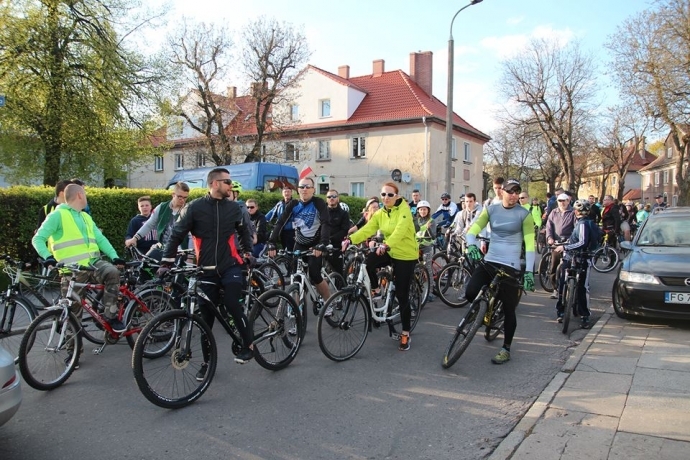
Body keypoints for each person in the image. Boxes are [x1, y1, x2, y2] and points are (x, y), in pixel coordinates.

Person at [159, 168, 255, 371]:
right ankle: (207, 363)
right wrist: (166, 262)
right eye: (227, 181)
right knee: (206, 321)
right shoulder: (194, 208)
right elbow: (176, 235)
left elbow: (244, 231)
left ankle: (248, 345)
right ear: (214, 183)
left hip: (230, 266)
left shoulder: (234, 208)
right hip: (205, 270)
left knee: (231, 302)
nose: (231, 185)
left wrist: (248, 253)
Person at [32, 184, 126, 331]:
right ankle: (72, 351)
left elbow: (100, 239)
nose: (86, 197)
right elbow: (37, 239)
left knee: (112, 272)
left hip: (93, 264)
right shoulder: (57, 215)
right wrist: (47, 257)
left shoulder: (85, 216)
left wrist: (114, 257)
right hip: (71, 270)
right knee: (72, 314)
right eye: (85, 194)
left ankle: (110, 316)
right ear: (80, 196)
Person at [463, 179, 535, 365]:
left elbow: (529, 246)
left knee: (510, 310)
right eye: (510, 191)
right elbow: (472, 231)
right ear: (502, 191)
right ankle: (482, 310)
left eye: (517, 192)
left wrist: (528, 271)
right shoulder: (491, 210)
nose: (513, 195)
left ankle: (506, 348)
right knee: (470, 292)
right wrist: (471, 245)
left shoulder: (524, 214)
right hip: (490, 261)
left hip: (510, 266)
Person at [344, 182, 418, 351]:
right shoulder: (380, 212)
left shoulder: (404, 209)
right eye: (383, 194)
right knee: (369, 262)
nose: (386, 198)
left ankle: (405, 333)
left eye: (390, 195)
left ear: (397, 196)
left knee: (402, 294)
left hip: (406, 254)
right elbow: (368, 228)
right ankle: (376, 290)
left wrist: (386, 244)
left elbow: (400, 230)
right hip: (390, 250)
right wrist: (350, 239)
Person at [267, 176, 332, 304]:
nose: (305, 189)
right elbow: (280, 223)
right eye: (302, 187)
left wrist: (323, 243)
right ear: (298, 190)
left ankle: (329, 302)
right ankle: (295, 311)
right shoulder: (294, 204)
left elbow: (325, 223)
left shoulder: (318, 203)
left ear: (313, 190)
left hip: (315, 245)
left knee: (315, 274)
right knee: (295, 277)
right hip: (299, 244)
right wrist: (271, 242)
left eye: (308, 187)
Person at [553, 199, 596, 329]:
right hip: (577, 257)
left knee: (581, 287)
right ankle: (581, 314)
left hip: (579, 258)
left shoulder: (583, 224)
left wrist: (565, 248)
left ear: (576, 211)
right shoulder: (582, 223)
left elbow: (582, 242)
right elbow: (576, 239)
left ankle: (581, 314)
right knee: (567, 283)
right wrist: (565, 242)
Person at [124, 182, 190, 260]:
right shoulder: (161, 207)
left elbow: (192, 235)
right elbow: (149, 224)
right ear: (173, 194)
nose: (182, 200)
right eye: (179, 197)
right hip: (162, 248)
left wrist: (190, 257)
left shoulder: (189, 210)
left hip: (180, 251)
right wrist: (134, 238)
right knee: (144, 265)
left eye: (185, 197)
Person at [544, 193, 576, 299]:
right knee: (553, 267)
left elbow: (576, 229)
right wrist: (549, 238)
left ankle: (569, 288)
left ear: (568, 201)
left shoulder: (573, 213)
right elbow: (549, 226)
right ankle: (555, 289)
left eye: (564, 200)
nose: (562, 203)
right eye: (560, 201)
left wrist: (571, 240)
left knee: (568, 267)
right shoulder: (554, 212)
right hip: (556, 244)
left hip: (568, 244)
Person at [322, 190, 351, 277]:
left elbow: (344, 230)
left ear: (338, 199)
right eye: (329, 197)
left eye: (334, 196)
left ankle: (341, 288)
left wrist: (331, 239)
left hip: (336, 246)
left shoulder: (343, 214)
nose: (331, 198)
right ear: (326, 199)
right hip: (322, 244)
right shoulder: (321, 212)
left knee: (338, 274)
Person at [414, 200, 436, 301]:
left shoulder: (431, 221)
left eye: (425, 209)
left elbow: (433, 235)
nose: (423, 211)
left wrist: (428, 229)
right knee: (416, 268)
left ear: (428, 210)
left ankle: (430, 292)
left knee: (427, 269)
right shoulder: (416, 220)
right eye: (421, 209)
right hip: (416, 247)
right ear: (418, 210)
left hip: (427, 247)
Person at [265, 185, 297, 251]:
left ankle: (292, 261)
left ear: (291, 193)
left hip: (292, 231)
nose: (287, 193)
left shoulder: (296, 203)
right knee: (284, 247)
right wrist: (263, 220)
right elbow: (271, 212)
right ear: (282, 193)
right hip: (282, 230)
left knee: (292, 249)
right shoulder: (279, 204)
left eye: (288, 192)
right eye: (285, 192)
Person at [479, 177, 505, 254]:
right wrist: (482, 242)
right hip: (489, 240)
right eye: (495, 188)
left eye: (500, 188)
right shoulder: (488, 203)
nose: (497, 190)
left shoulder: (509, 203)